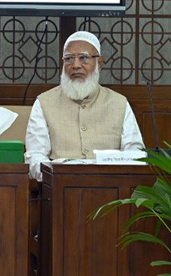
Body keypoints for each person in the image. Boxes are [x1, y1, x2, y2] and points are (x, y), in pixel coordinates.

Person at [24, 30, 144, 180]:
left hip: (110, 188)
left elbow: (135, 153)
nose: (75, 65)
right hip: (59, 188)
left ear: (99, 63)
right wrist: (57, 177)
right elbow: (35, 156)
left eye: (83, 58)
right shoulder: (44, 102)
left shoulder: (119, 103)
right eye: (68, 59)